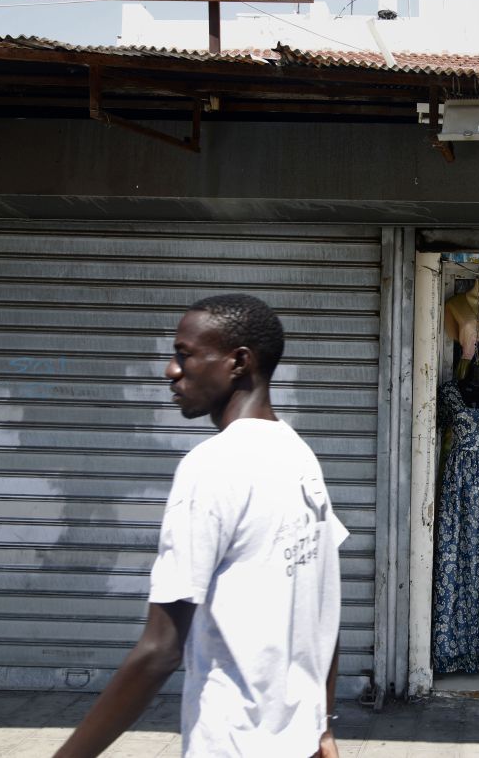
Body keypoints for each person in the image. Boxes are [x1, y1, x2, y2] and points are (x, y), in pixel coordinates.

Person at [55, 294, 348, 758]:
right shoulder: (297, 455)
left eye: (184, 354)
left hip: (232, 743)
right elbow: (324, 614)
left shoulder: (211, 467)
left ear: (238, 362)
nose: (171, 371)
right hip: (298, 743)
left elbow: (160, 649)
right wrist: (323, 726)